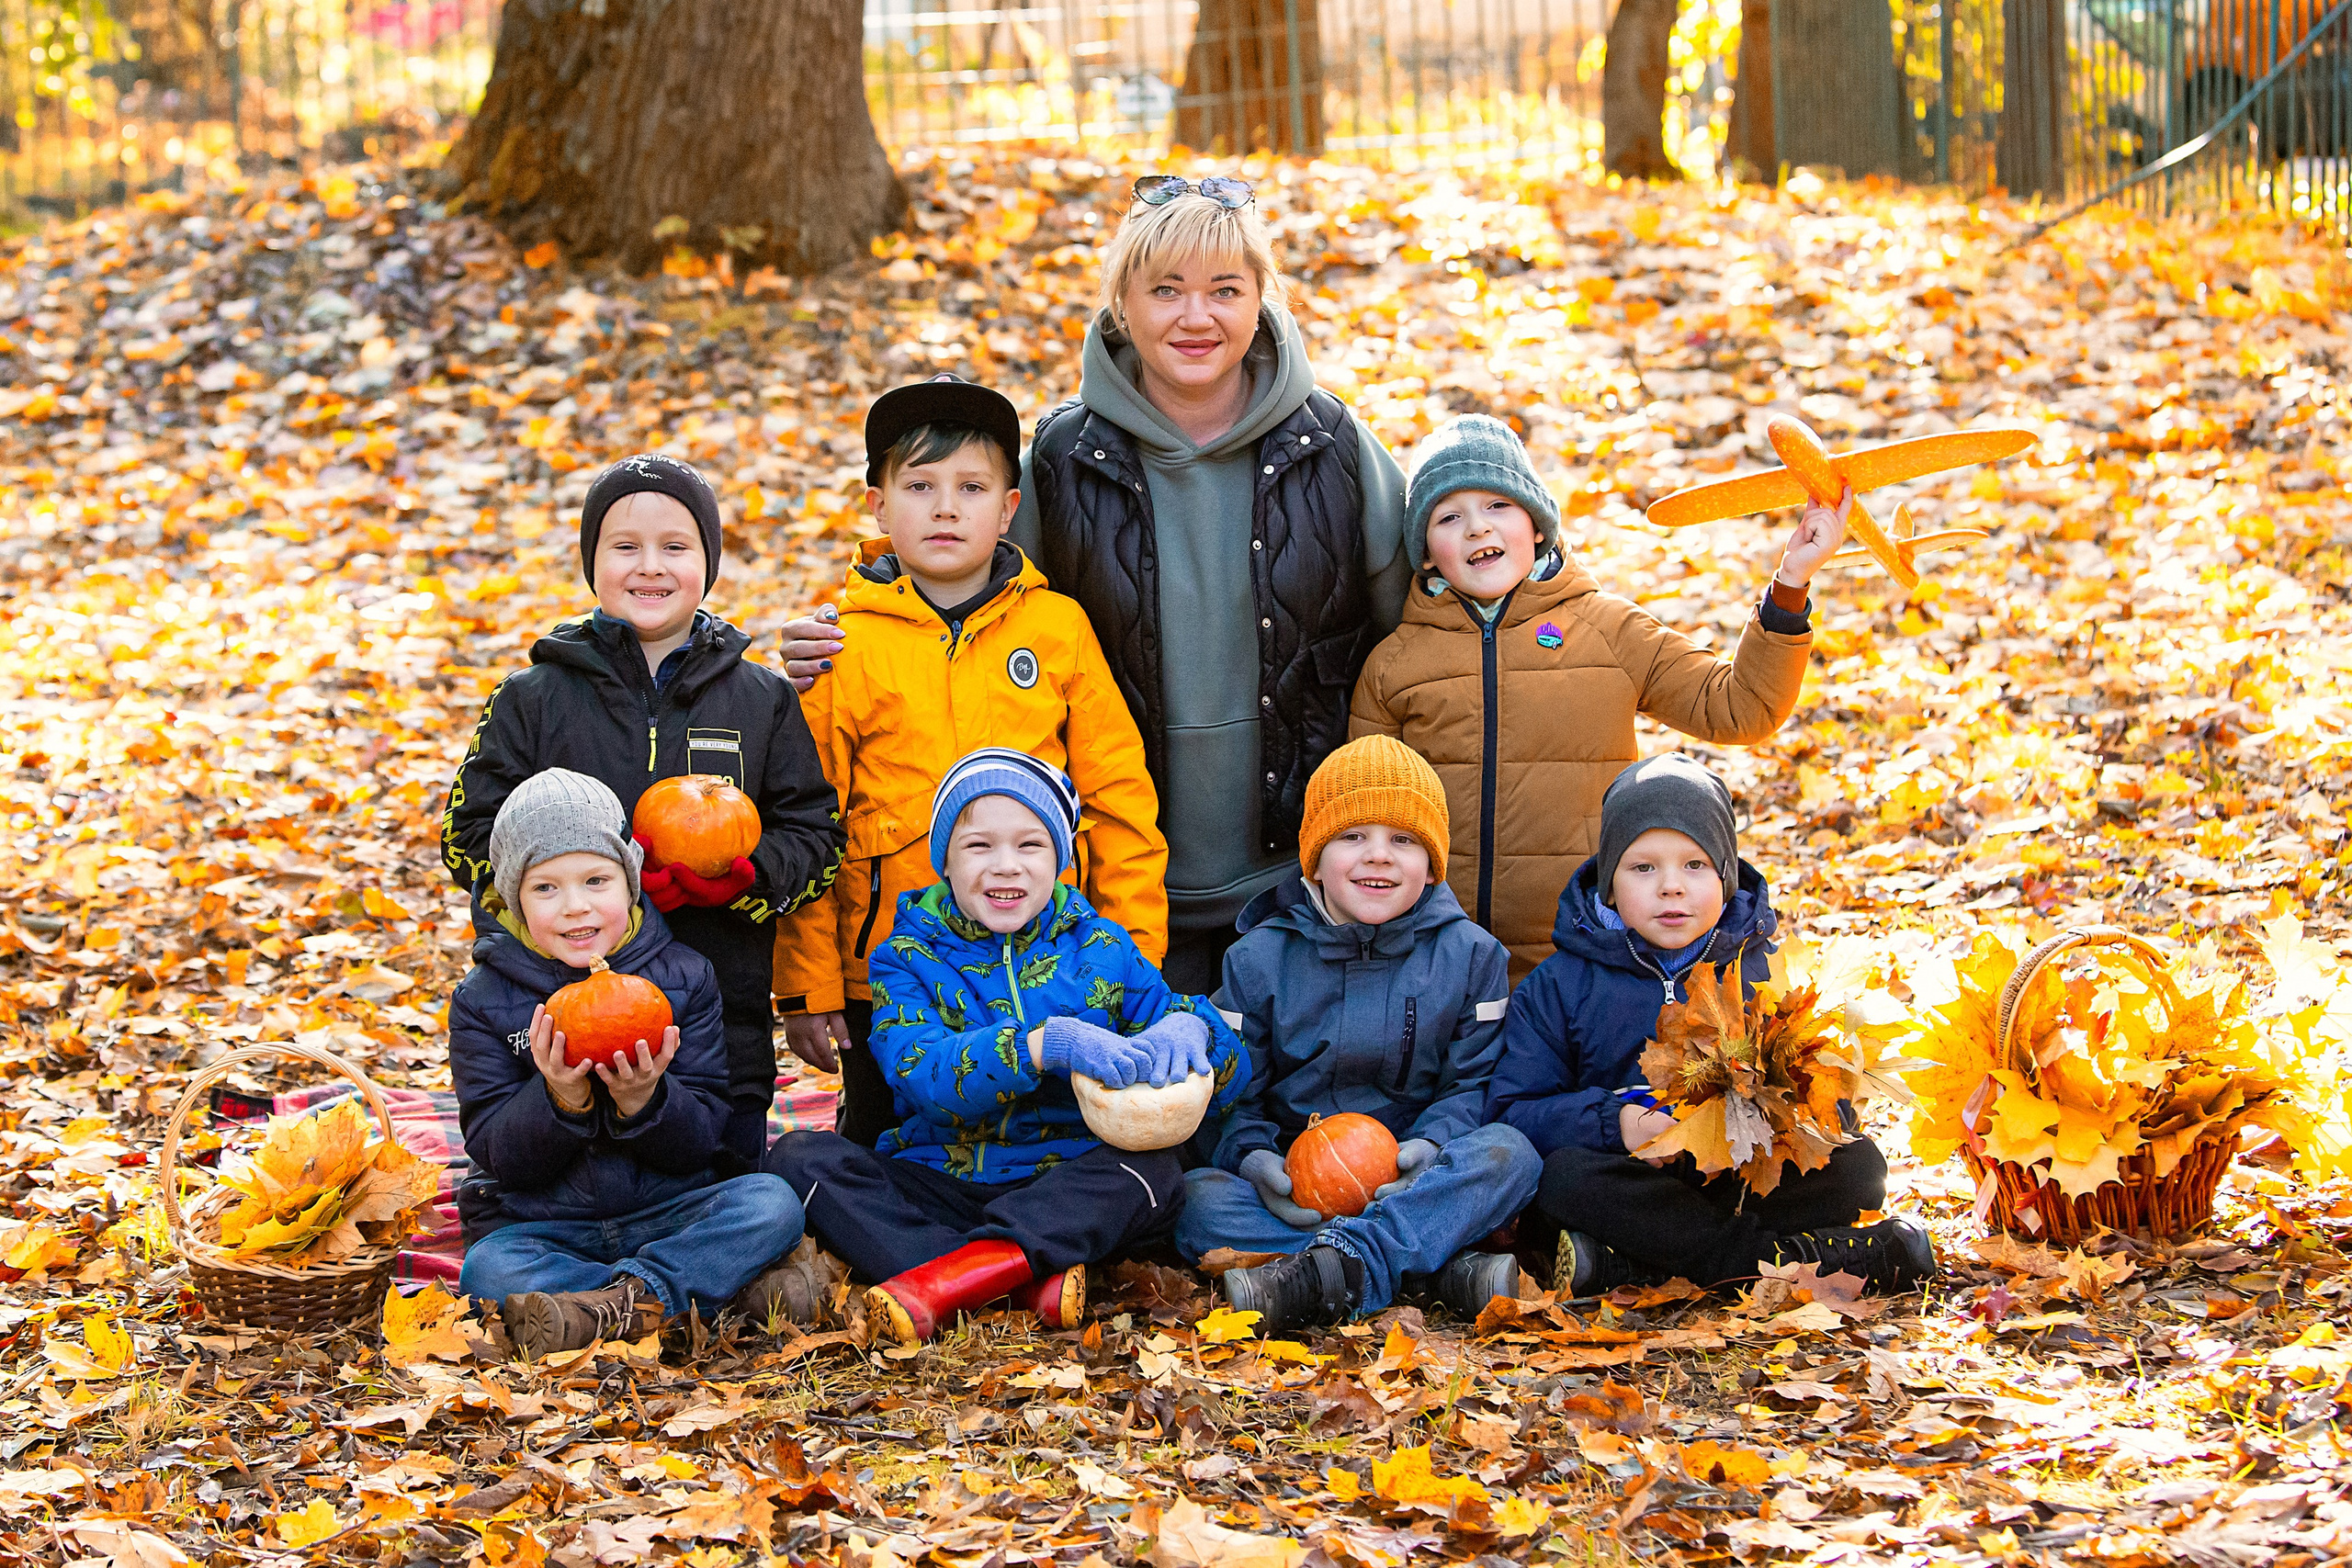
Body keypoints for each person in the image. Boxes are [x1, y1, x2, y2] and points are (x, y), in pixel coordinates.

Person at [776, 176, 1412, 994]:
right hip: (1116, 896)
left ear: (1262, 300)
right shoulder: (1064, 458)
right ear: (1121, 303)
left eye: (1225, 290)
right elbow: (963, 595)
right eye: (1165, 290)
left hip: (1299, 879)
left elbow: (1426, 625)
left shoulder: (1332, 446)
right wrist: (857, 606)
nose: (1196, 317)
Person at [771, 375, 1168, 1148]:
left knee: (1047, 1137)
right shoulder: (843, 648)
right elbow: (808, 829)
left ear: (1009, 507)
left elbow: (1118, 796)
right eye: (919, 485)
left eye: (971, 486)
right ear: (880, 506)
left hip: (1046, 954)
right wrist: (809, 987)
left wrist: (1132, 954)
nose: (945, 507)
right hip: (890, 970)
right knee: (892, 1147)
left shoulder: (1056, 630)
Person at [766, 750, 1250, 1346]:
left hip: (1068, 1183)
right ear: (945, 856)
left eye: (1030, 846)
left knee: (1152, 1173)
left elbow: (1225, 1069)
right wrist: (1042, 1046)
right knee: (799, 1160)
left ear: (1060, 858)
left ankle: (953, 1279)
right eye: (979, 846)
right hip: (940, 1178)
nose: (1005, 867)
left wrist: (1196, 1027)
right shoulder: (906, 956)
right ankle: (1015, 1278)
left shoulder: (1101, 945)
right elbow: (922, 1073)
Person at [441, 454, 845, 1164]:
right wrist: (559, 881)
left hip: (717, 1018)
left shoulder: (761, 699)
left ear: (708, 562)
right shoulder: (532, 697)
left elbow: (815, 834)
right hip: (555, 1014)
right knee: (554, 1177)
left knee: (728, 1184)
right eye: (625, 546)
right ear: (591, 562)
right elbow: (467, 834)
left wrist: (745, 881)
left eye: (675, 547)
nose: (649, 566)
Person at [1351, 414, 1846, 981]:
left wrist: (1790, 586)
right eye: (1449, 516)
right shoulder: (1395, 665)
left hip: (1586, 963)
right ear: (1427, 553)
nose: (1476, 529)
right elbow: (1366, 815)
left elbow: (1739, 707)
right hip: (1440, 966)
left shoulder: (1608, 631)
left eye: (1498, 506)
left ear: (1538, 526)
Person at [1487, 754, 1938, 1296]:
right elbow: (1514, 1110)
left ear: (1726, 878)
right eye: (1643, 868)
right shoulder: (1558, 987)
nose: (1671, 887)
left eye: (1695, 866)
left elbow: (1825, 1100)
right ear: (1608, 885)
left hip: (1741, 1174)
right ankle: (1786, 1260)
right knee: (1563, 1183)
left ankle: (1644, 1265)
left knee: (1859, 1167)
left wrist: (1781, 1111)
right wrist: (1618, 1124)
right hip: (1634, 1176)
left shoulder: (1764, 974)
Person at [1178, 736, 1540, 1332]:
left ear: (1431, 866)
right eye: (1352, 837)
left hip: (1418, 1172)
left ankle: (1332, 1269)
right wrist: (1255, 1157)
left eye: (1403, 840)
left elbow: (1474, 1083)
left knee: (1510, 1154)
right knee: (1196, 1199)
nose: (1378, 856)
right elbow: (1236, 1092)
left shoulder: (1474, 956)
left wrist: (1430, 1145)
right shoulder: (1256, 958)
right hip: (1302, 1181)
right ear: (1315, 859)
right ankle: (1433, 1268)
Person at [451, 770, 818, 1359]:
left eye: (596, 880)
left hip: (669, 1209)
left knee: (770, 1204)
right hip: (548, 1225)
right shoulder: (484, 1000)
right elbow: (499, 1155)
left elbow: (701, 1140)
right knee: (488, 1271)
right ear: (511, 895)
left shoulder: (683, 978)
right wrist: (559, 1098)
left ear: (631, 881)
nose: (576, 907)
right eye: (545, 888)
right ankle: (701, 1295)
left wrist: (644, 1100)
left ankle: (615, 1305)